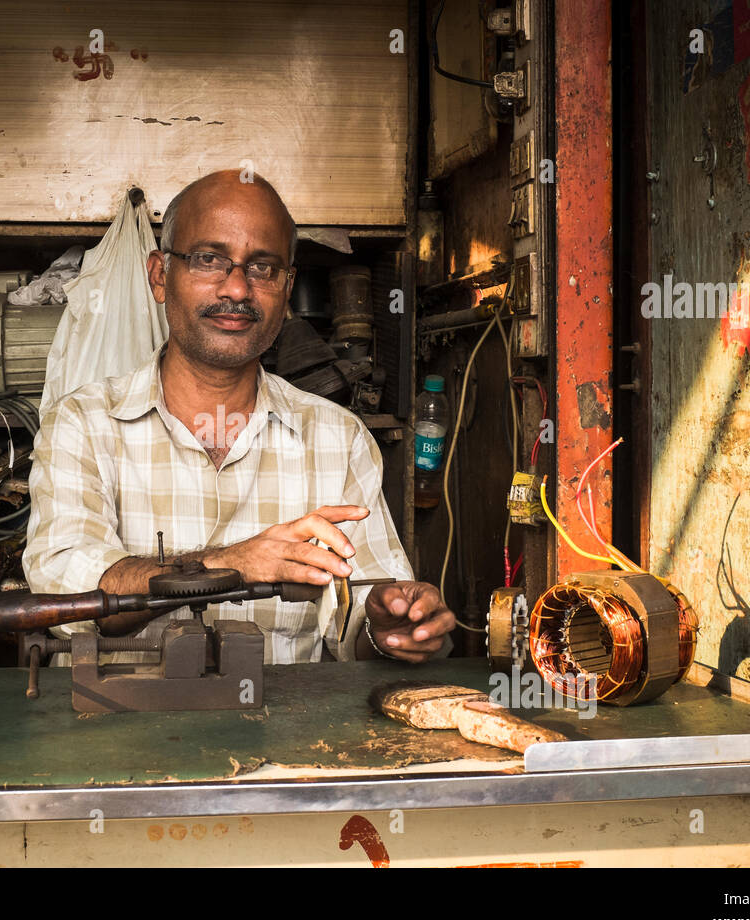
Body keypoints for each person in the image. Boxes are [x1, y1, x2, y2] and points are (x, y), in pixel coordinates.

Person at [23, 170, 455, 663]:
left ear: (287, 286)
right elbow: (64, 598)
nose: (237, 289)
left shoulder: (338, 438)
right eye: (209, 259)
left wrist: (390, 625)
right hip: (113, 730)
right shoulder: (83, 423)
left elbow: (358, 617)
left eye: (263, 268)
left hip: (286, 736)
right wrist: (232, 566)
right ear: (161, 275)